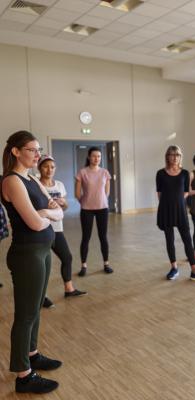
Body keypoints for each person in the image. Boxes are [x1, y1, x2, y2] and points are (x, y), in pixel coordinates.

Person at [1, 130, 64, 394]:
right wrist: (47, 214)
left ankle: (32, 354)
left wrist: (45, 212)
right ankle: (23, 375)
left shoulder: (33, 179)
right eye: (32, 150)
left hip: (43, 250)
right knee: (26, 315)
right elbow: (35, 223)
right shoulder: (12, 181)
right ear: (16, 151)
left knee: (36, 308)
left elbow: (58, 211)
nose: (38, 155)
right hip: (27, 254)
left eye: (39, 150)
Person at [156, 145, 195, 281]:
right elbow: (159, 194)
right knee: (169, 240)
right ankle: (174, 268)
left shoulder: (185, 173)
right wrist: (168, 204)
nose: (175, 157)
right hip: (166, 210)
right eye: (172, 154)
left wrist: (178, 201)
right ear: (167, 157)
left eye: (177, 155)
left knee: (187, 240)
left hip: (181, 210)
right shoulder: (160, 173)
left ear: (180, 157)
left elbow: (186, 192)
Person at [38, 155, 87, 307]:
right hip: (42, 229)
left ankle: (69, 289)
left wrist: (64, 204)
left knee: (67, 257)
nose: (49, 170)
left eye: (52, 167)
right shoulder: (36, 185)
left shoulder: (59, 185)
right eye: (46, 166)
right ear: (39, 168)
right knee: (43, 264)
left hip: (57, 229)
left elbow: (64, 208)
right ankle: (41, 296)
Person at [75, 146, 112, 276]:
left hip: (102, 208)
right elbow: (77, 193)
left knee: (103, 237)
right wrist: (85, 202)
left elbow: (107, 192)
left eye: (99, 156)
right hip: (87, 210)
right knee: (86, 237)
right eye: (94, 156)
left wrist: (101, 200)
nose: (97, 158)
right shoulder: (82, 172)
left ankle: (106, 264)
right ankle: (83, 266)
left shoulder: (105, 172)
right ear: (89, 157)